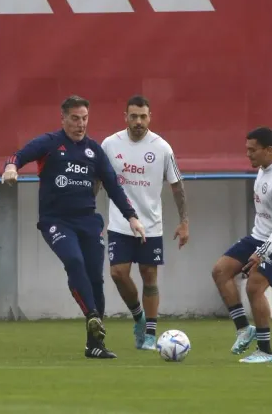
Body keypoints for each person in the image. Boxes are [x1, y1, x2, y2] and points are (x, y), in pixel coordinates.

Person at [1, 95, 145, 359]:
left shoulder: (93, 150)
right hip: (56, 221)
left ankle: (95, 345)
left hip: (88, 222)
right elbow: (19, 155)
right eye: (75, 119)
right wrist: (10, 166)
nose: (81, 124)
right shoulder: (50, 143)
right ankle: (91, 315)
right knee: (74, 261)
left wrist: (132, 217)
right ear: (63, 118)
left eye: (85, 119)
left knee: (96, 280)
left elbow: (113, 185)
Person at [100, 95, 189, 351]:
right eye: (134, 116)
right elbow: (98, 180)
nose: (138, 121)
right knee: (118, 273)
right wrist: (90, 215)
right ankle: (138, 316)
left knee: (149, 277)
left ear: (150, 117)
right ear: (125, 117)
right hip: (120, 222)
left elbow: (176, 185)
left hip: (151, 224)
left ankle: (150, 334)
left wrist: (184, 222)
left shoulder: (162, 148)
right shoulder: (110, 144)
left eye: (143, 116)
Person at [211, 127, 272, 363]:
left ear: (269, 150)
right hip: (259, 236)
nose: (248, 155)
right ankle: (244, 329)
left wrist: (261, 253)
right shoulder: (263, 169)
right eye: (247, 149)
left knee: (253, 287)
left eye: (253, 150)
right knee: (220, 271)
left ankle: (265, 351)